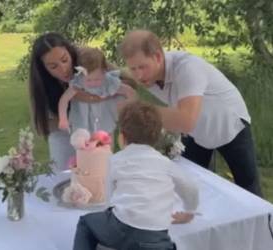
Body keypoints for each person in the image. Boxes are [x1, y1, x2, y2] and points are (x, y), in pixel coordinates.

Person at [119, 29, 262, 196]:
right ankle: (202, 219)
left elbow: (185, 121)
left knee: (248, 188)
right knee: (187, 181)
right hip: (196, 130)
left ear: (158, 56)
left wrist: (136, 108)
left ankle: (265, 222)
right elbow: (114, 74)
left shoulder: (188, 68)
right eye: (133, 69)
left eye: (142, 67)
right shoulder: (146, 73)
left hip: (230, 124)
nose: (139, 75)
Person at [73, 101, 199, 250]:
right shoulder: (165, 163)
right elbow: (190, 188)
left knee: (86, 223)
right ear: (157, 136)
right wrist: (189, 211)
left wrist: (110, 214)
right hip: (155, 236)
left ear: (122, 136)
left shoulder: (116, 160)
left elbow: (109, 197)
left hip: (120, 228)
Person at [29, 32, 135, 171]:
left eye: (65, 60)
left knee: (101, 174)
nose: (63, 69)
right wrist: (73, 115)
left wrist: (97, 97)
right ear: (44, 69)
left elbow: (128, 82)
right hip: (64, 136)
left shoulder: (87, 59)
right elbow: (42, 125)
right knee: (67, 178)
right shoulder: (40, 84)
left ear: (70, 52)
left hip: (98, 128)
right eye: (53, 67)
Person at [58, 47, 136, 134]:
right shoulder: (78, 82)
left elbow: (129, 92)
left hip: (105, 120)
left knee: (106, 143)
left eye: (97, 79)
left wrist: (129, 105)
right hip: (82, 121)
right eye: (88, 80)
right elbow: (64, 100)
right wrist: (63, 118)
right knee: (82, 143)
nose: (93, 83)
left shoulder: (108, 81)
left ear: (104, 71)